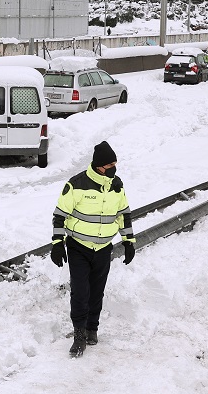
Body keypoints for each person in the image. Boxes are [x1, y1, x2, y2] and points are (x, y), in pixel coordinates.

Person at [50, 141, 135, 358]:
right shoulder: (76, 184)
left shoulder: (116, 185)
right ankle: (79, 334)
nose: (114, 168)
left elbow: (123, 214)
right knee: (80, 291)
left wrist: (128, 241)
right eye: (111, 165)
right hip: (78, 247)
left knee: (97, 291)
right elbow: (60, 215)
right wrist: (57, 244)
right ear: (99, 166)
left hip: (104, 248)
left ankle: (91, 329)